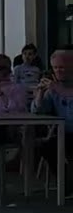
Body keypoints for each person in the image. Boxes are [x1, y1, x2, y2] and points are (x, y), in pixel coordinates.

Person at [33, 50, 73, 178]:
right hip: (63, 134)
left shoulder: (57, 88)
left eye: (62, 67)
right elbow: (38, 112)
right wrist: (39, 94)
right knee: (46, 146)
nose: (58, 71)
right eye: (55, 68)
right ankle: (63, 181)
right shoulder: (54, 89)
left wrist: (59, 90)